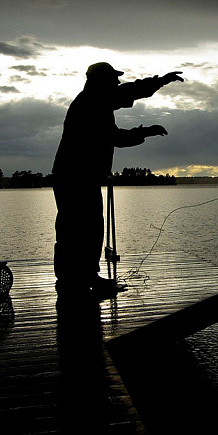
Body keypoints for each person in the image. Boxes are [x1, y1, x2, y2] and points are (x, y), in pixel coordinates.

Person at [52, 62, 183, 300]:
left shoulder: (98, 104)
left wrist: (145, 130)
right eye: (113, 79)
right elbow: (124, 106)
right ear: (100, 82)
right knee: (74, 230)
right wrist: (160, 82)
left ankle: (84, 278)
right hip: (74, 179)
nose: (117, 83)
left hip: (80, 178)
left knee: (88, 229)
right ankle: (69, 281)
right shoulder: (92, 102)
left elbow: (118, 130)